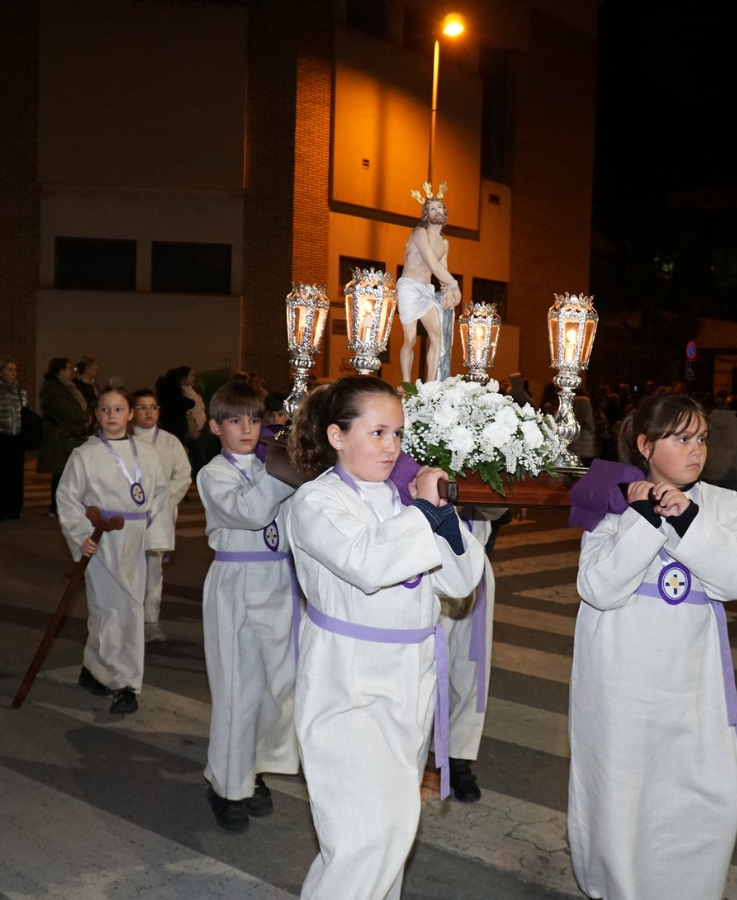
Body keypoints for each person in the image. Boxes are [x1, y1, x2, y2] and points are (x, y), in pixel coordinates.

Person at [285, 376, 484, 899]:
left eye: (397, 433)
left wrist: (443, 515)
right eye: (377, 432)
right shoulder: (314, 502)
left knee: (394, 828)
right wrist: (422, 512)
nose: (392, 446)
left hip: (409, 678)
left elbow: (462, 582)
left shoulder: (403, 501)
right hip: (347, 682)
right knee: (361, 837)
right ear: (336, 435)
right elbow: (368, 563)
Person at [567, 393, 737, 900]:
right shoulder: (611, 499)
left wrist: (687, 521)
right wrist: (647, 518)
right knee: (623, 787)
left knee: (708, 792)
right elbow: (599, 588)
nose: (696, 450)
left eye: (700, 438)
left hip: (691, 673)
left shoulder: (724, 504)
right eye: (681, 438)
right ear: (646, 445)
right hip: (622, 672)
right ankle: (617, 887)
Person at [196, 381, 298, 832]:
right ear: (216, 426)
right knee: (237, 689)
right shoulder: (213, 473)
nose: (247, 428)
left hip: (278, 579)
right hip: (236, 581)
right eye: (235, 420)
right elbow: (253, 512)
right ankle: (226, 786)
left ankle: (251, 768)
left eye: (255, 419)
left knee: (278, 688)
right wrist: (286, 469)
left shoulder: (269, 464)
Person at [57, 388, 173, 716]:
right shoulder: (85, 455)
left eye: (119, 408)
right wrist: (80, 534)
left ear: (130, 414)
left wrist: (157, 537)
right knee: (113, 608)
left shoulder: (147, 455)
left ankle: (97, 668)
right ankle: (125, 683)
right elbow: (67, 497)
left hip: (137, 539)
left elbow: (160, 495)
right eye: (105, 409)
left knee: (126, 608)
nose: (112, 415)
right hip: (104, 540)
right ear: (97, 414)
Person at [440, 506, 500, 803]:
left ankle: (458, 756)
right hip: (428, 565)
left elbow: (498, 505)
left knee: (469, 667)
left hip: (474, 565)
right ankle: (409, 755)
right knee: (423, 669)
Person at [131, 389, 192, 643]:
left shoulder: (169, 442)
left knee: (154, 569)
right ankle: (128, 620)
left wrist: (164, 503)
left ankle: (150, 621)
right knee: (128, 568)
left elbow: (183, 475)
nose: (149, 412)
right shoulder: (123, 440)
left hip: (160, 514)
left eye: (153, 407)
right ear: (133, 411)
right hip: (129, 516)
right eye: (143, 407)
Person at [398, 184, 461, 383]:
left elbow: (443, 271)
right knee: (410, 338)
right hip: (409, 287)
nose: (437, 211)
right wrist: (455, 285)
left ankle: (431, 385)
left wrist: (448, 291)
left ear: (445, 214)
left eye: (440, 208)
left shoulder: (445, 243)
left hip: (426, 291)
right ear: (426, 215)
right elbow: (433, 264)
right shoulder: (419, 233)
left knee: (437, 335)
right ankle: (407, 383)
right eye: (432, 208)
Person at [37, 357, 90, 516]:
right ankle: (56, 506)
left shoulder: (67, 387)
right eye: (68, 368)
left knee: (69, 472)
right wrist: (84, 417)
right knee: (61, 472)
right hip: (60, 436)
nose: (72, 372)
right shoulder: (53, 389)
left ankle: (67, 504)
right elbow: (67, 411)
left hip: (69, 435)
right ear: (60, 370)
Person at [0, 358, 29, 521]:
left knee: (16, 474)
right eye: (9, 369)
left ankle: (14, 508)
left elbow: (25, 410)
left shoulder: (20, 391)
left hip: (17, 436)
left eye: (14, 370)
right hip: (0, 435)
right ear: (0, 372)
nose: (13, 373)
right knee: (1, 473)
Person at [701, 393, 737, 490]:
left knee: (710, 497)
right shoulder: (736, 422)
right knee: (730, 497)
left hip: (711, 464)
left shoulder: (707, 421)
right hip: (731, 464)